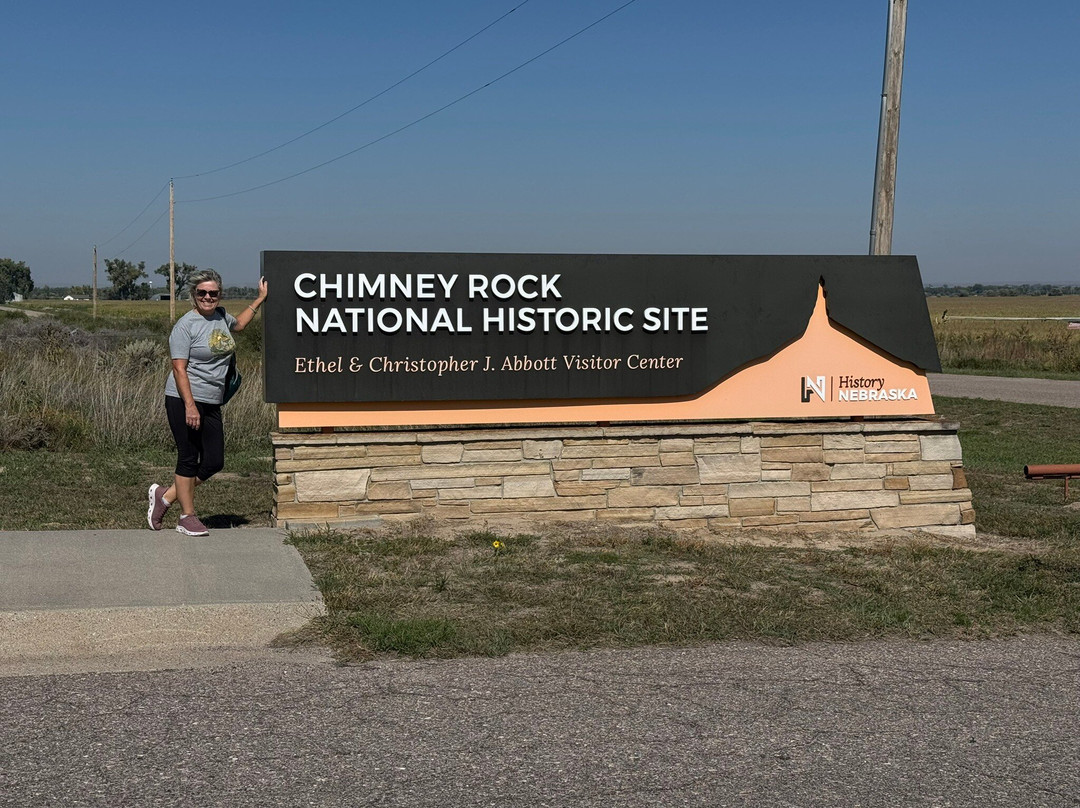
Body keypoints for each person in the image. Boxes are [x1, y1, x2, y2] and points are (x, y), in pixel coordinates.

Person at [147, 270, 267, 536]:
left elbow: (240, 326)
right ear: (193, 295)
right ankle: (186, 517)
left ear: (219, 294)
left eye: (213, 293)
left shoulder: (222, 317)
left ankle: (165, 496)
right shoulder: (185, 325)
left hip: (213, 400)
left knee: (214, 461)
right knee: (188, 458)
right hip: (183, 399)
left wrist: (259, 300)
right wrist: (190, 406)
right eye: (202, 293)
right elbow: (179, 369)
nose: (208, 297)